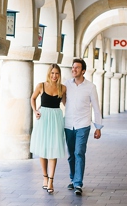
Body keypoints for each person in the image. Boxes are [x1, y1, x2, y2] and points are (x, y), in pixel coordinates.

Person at [64, 58, 103, 196]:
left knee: (79, 152)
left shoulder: (90, 87)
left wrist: (98, 127)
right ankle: (73, 178)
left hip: (83, 124)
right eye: (73, 67)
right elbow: (59, 99)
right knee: (71, 155)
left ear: (83, 71)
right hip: (68, 124)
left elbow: (96, 108)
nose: (74, 69)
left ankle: (78, 183)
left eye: (77, 67)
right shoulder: (66, 84)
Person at [30, 64, 68, 194]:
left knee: (53, 149)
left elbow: (66, 103)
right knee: (43, 148)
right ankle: (45, 177)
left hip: (56, 118)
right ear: (49, 73)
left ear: (59, 75)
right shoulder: (41, 85)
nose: (54, 76)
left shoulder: (63, 88)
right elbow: (33, 98)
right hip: (44, 118)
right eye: (52, 73)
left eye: (57, 73)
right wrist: (35, 111)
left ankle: (51, 180)